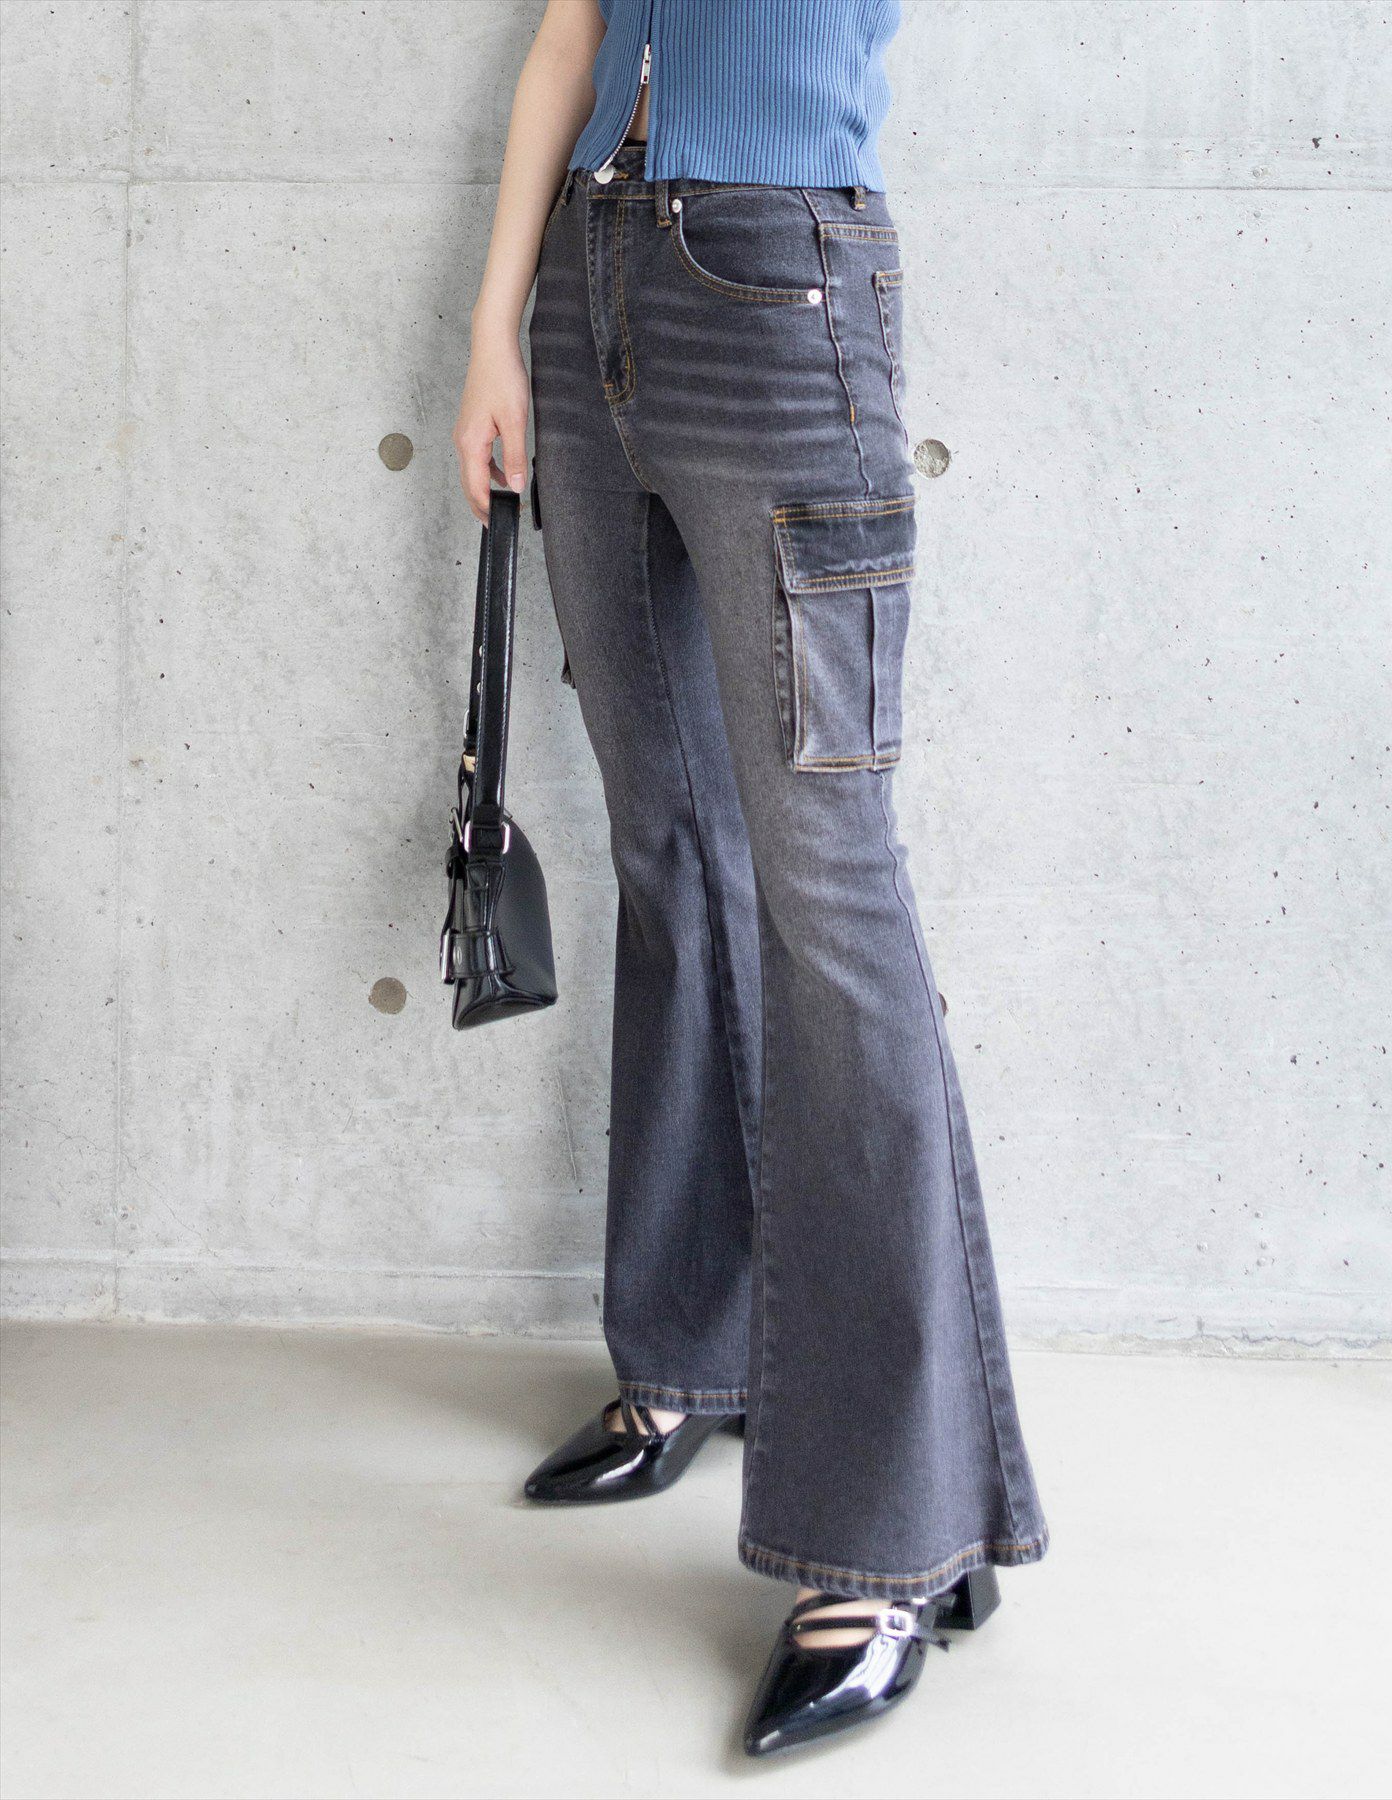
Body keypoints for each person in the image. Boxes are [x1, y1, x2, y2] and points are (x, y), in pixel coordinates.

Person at [453, 0, 1047, 1755]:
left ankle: (888, 1537)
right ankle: (691, 1354)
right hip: (590, 296)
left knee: (828, 904)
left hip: (778, 289)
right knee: (670, 850)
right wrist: (495, 329)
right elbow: (571, 35)